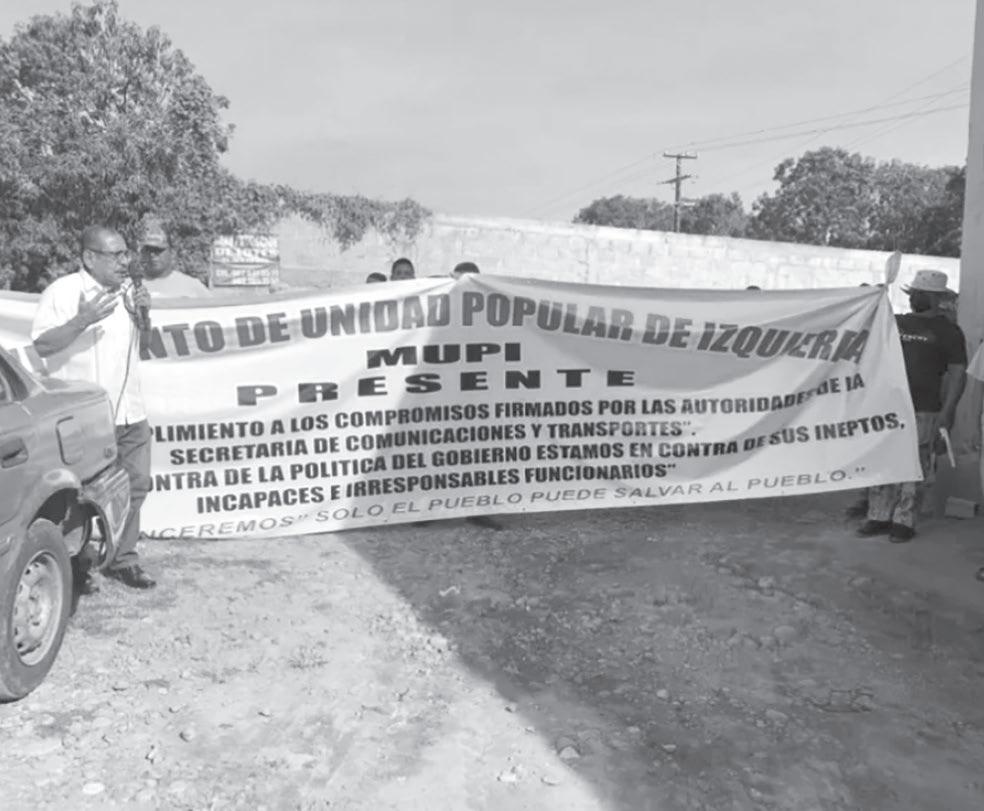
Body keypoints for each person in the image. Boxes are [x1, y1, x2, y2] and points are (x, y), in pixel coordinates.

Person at [31, 226, 157, 590]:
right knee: (80, 497)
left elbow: (145, 348)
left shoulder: (129, 292)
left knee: (136, 485)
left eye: (125, 254)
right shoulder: (64, 292)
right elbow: (42, 345)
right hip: (85, 419)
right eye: (116, 255)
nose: (124, 262)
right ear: (89, 257)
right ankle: (75, 565)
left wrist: (145, 315)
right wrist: (81, 320)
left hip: (130, 411)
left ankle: (123, 559)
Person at [857, 269, 967, 543]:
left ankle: (904, 521)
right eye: (913, 292)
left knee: (917, 464)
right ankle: (879, 516)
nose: (914, 297)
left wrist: (948, 411)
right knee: (883, 459)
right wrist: (870, 299)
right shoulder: (894, 322)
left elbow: (957, 374)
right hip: (887, 405)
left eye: (921, 294)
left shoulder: (949, 332)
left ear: (936, 299)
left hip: (925, 408)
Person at [136, 217, 211, 299]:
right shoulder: (130, 286)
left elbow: (213, 306)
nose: (152, 254)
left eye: (158, 250)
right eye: (148, 250)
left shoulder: (192, 287)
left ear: (172, 253)